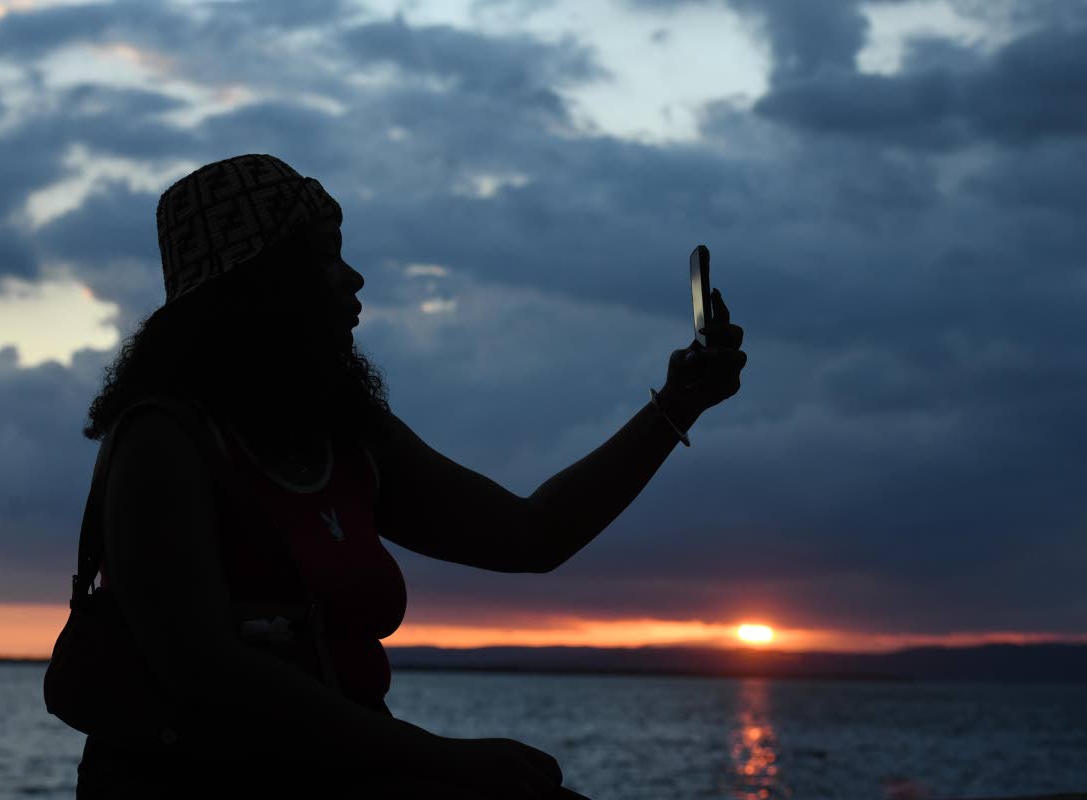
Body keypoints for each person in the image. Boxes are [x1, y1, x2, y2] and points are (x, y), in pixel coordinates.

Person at [70, 153, 746, 798]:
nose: (354, 278)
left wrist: (678, 404)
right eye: (327, 254)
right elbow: (206, 673)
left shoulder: (347, 436)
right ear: (261, 281)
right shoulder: (165, 441)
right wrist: (449, 760)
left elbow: (530, 536)